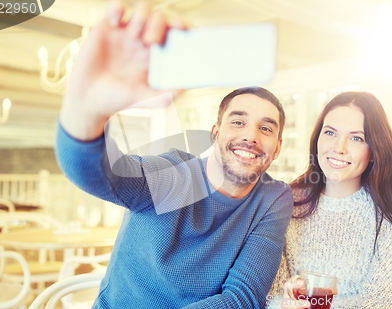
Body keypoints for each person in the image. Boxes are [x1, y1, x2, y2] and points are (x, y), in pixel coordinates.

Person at [55, 1, 293, 308]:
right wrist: (86, 110)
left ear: (277, 147)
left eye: (266, 128)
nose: (250, 136)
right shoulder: (172, 174)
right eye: (238, 121)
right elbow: (95, 174)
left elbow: (242, 298)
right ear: (215, 132)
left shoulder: (273, 198)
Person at [266, 91, 392, 309]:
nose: (338, 148)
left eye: (356, 138)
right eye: (330, 132)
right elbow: (271, 293)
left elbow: (382, 303)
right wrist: (282, 305)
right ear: (317, 139)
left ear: (373, 151)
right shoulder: (286, 203)